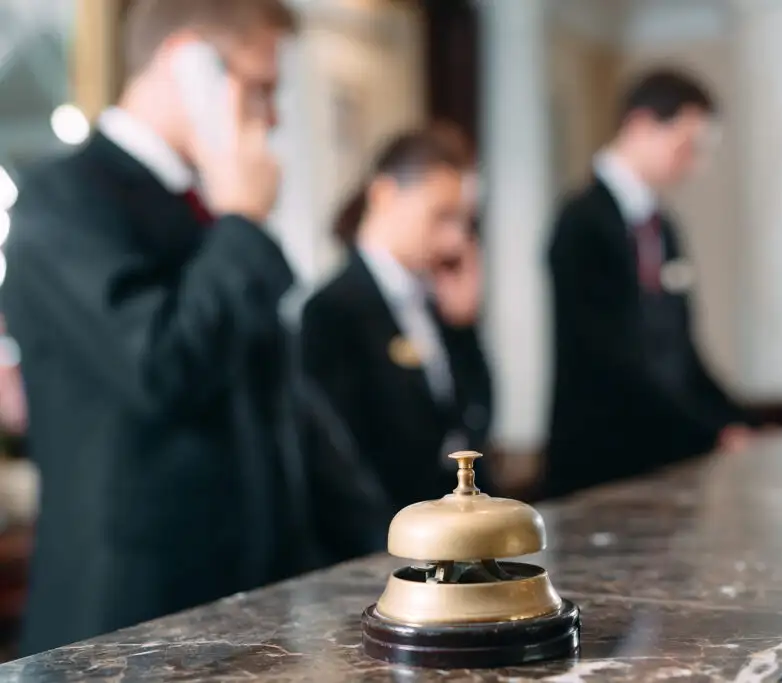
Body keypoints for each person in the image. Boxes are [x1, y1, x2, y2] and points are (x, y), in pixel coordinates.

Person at [2, 0, 311, 655]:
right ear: (188, 64)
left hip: (244, 601)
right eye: (259, 89)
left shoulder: (207, 208)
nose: (273, 116)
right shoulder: (64, 199)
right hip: (128, 619)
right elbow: (162, 367)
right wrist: (245, 226)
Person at [546, 69, 764, 498]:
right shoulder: (581, 222)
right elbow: (611, 357)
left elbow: (682, 351)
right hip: (603, 463)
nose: (695, 165)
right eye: (688, 147)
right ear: (642, 125)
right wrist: (710, 431)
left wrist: (739, 421)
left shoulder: (663, 228)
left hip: (669, 458)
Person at [301, 129, 492, 552]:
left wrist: (464, 328)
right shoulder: (330, 311)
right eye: (441, 216)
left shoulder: (435, 301)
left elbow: (472, 422)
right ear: (386, 195)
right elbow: (343, 462)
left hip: (450, 538)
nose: (456, 240)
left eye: (463, 220)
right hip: (385, 546)